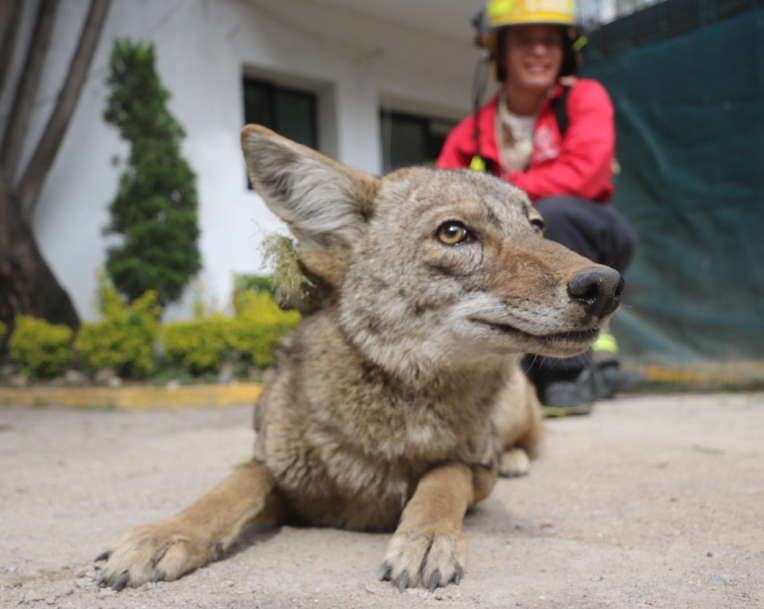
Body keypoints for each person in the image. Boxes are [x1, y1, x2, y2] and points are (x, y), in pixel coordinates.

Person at [436, 0, 643, 415]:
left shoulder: (585, 98)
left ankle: (568, 375)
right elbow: (440, 199)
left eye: (550, 40)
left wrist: (499, 195)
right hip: (508, 255)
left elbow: (583, 175)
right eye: (523, 39)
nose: (538, 50)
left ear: (566, 50)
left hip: (592, 231)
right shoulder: (468, 133)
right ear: (498, 52)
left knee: (549, 214)